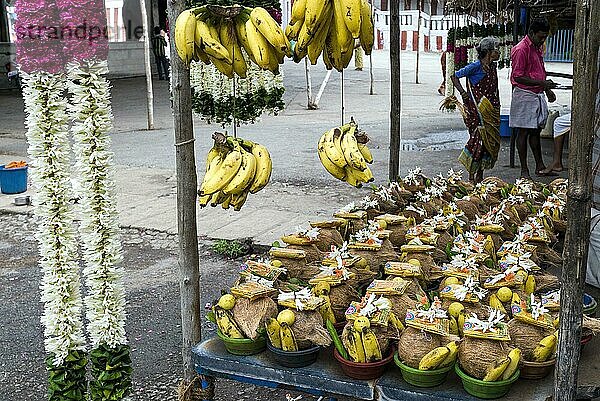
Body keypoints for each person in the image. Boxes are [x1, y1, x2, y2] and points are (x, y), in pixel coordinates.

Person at [509, 18, 558, 178]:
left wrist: (546, 89)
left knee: (535, 132)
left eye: (545, 37)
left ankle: (540, 166)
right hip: (524, 95)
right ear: (531, 33)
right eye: (541, 36)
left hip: (537, 93)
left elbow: (540, 71)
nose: (543, 40)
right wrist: (543, 83)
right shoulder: (521, 49)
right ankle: (524, 170)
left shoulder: (537, 48)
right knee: (523, 132)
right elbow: (518, 76)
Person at [450, 37, 501, 184]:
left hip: (490, 109)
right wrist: (463, 93)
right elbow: (454, 76)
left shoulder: (492, 67)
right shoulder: (475, 66)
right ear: (489, 52)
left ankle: (480, 174)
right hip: (476, 111)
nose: (498, 53)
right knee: (478, 140)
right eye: (496, 50)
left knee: (487, 142)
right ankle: (471, 177)